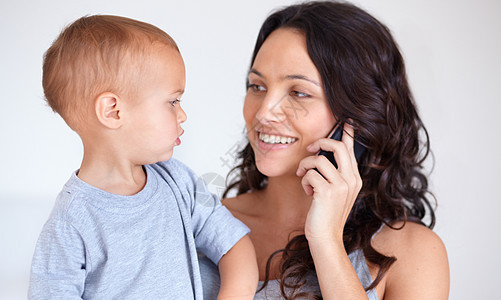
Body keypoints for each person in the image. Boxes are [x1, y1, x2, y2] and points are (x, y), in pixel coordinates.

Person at [199, 1, 449, 299]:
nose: (264, 113)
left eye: (299, 93)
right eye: (257, 86)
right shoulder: (199, 225)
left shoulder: (412, 251)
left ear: (357, 115)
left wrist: (326, 242)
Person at [28, 15, 258, 299]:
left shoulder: (178, 180)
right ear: (113, 111)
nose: (182, 114)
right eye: (173, 101)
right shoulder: (70, 224)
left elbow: (234, 244)